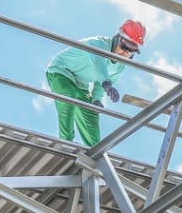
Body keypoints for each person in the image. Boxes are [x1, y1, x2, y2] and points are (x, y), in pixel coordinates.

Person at [45, 19, 145, 147]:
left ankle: (94, 152)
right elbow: (98, 65)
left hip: (84, 87)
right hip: (62, 72)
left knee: (91, 117)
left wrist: (96, 99)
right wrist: (107, 84)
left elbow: (98, 85)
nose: (125, 52)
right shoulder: (99, 44)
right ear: (118, 38)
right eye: (124, 47)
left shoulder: (119, 66)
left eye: (131, 50)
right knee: (68, 100)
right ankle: (65, 143)